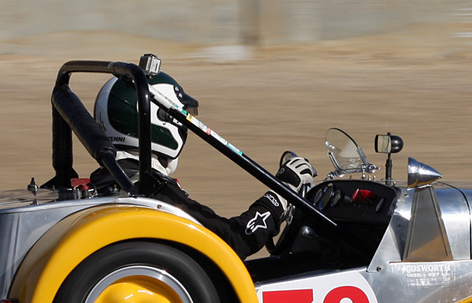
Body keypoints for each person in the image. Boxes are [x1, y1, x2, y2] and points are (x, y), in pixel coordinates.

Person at [88, 70, 317, 258]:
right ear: (159, 122)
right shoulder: (151, 189)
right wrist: (280, 195)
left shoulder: (104, 178)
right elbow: (232, 241)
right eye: (181, 117)